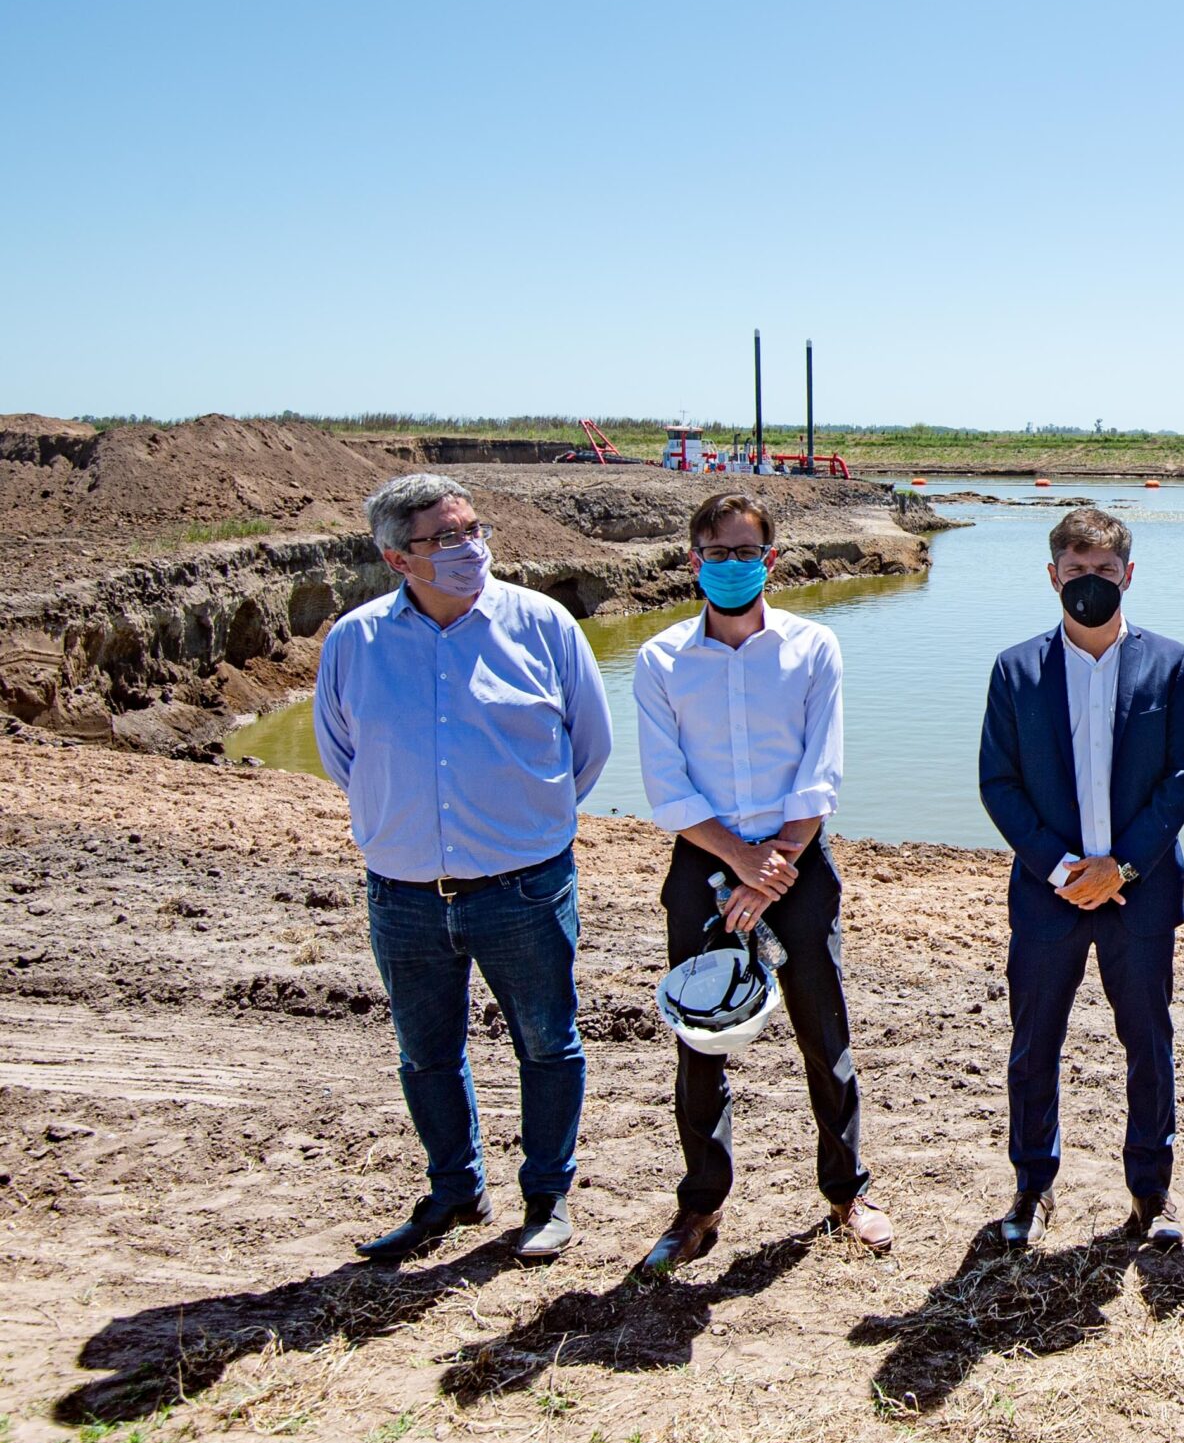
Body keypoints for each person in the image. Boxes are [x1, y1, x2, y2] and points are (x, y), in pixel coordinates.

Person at [315, 473, 610, 1264]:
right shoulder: (354, 641)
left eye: (473, 530)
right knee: (425, 1051)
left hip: (523, 886)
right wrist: (411, 827)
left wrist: (518, 824)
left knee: (548, 1043)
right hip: (403, 893)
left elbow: (588, 750)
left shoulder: (543, 624)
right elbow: (343, 756)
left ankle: (546, 1198)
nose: (467, 548)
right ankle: (454, 1192)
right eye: (443, 538)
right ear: (394, 557)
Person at [628, 492, 892, 1274]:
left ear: (771, 560)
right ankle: (700, 1207)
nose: (732, 565)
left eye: (747, 552)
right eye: (717, 552)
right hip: (703, 866)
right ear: (693, 561)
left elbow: (821, 769)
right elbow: (666, 784)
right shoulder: (659, 660)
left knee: (824, 1031)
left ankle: (847, 1191)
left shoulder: (815, 648)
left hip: (799, 865)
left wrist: (775, 861)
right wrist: (738, 862)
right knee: (700, 1037)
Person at [978, 507, 1184, 1248]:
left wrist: (1123, 865)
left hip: (1139, 892)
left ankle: (1152, 1191)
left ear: (1128, 576)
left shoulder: (1169, 663)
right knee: (1034, 1043)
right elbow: (998, 783)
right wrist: (1059, 866)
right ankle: (1032, 1185)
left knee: (1149, 1042)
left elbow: (1183, 774)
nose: (1090, 585)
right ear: (1052, 577)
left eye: (1104, 573)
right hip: (1050, 895)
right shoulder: (1015, 671)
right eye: (1076, 573)